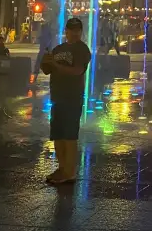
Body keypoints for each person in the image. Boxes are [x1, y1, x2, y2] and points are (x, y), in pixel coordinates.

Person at [40, 17, 92, 185]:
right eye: (71, 29)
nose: (74, 33)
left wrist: (56, 65)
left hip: (72, 96)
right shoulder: (58, 49)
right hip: (57, 97)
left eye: (77, 30)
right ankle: (62, 168)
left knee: (69, 135)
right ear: (66, 31)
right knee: (58, 135)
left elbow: (77, 71)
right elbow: (47, 70)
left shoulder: (82, 49)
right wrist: (45, 61)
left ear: (81, 32)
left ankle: (70, 172)